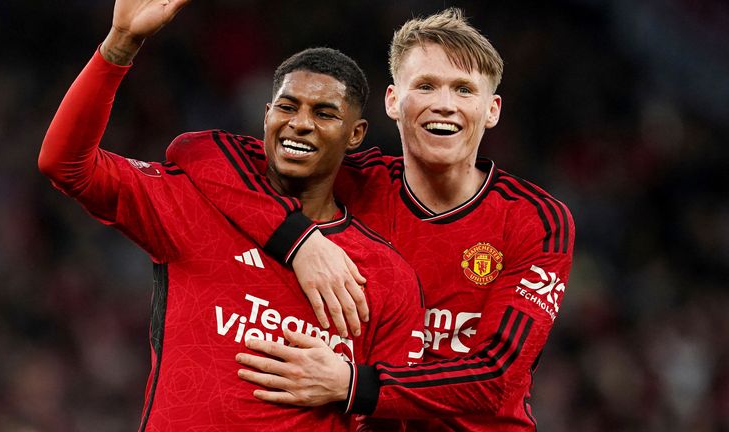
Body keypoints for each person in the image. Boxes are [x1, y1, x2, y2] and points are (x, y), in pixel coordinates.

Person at [166, 7, 575, 431]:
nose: (444, 105)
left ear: (491, 110)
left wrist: (352, 384)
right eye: (426, 86)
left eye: (464, 90)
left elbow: (495, 378)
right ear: (393, 102)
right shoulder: (353, 181)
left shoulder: (535, 220)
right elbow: (197, 152)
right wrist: (298, 240)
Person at [38, 0, 425, 430]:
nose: (300, 123)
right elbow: (66, 164)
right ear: (265, 116)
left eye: (324, 113)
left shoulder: (385, 276)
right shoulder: (194, 205)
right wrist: (120, 44)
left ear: (355, 134)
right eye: (287, 107)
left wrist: (348, 384)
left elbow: (395, 414)